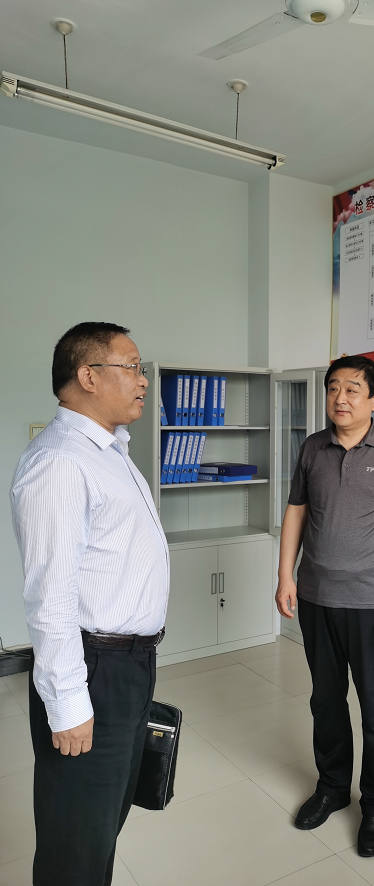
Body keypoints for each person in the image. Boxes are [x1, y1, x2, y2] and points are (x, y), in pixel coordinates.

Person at [11, 322, 169, 886]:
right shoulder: (60, 461)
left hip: (127, 665)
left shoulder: (109, 450)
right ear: (88, 376)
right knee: (76, 841)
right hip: (93, 669)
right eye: (132, 367)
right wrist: (69, 705)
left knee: (103, 822)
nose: (143, 381)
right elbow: (50, 597)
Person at [276, 355, 374, 857]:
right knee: (325, 701)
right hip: (316, 597)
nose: (340, 398)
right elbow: (296, 512)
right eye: (333, 388)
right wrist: (285, 576)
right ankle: (333, 787)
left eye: (353, 389)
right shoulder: (312, 448)